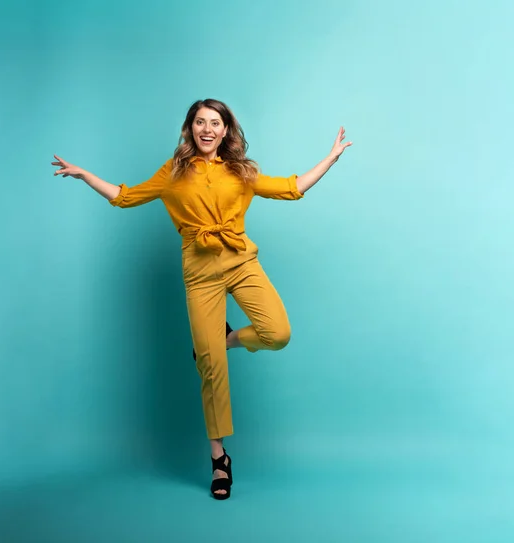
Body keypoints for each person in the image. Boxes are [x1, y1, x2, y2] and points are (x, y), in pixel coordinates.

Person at [52, 98, 352, 500]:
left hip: (241, 261)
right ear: (189, 129)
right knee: (212, 368)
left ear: (226, 130)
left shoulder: (241, 171)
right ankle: (218, 459)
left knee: (277, 332)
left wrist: (329, 159)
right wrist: (87, 175)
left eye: (215, 122)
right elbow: (127, 196)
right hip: (200, 273)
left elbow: (291, 187)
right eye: (199, 122)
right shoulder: (174, 173)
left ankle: (224, 339)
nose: (207, 129)